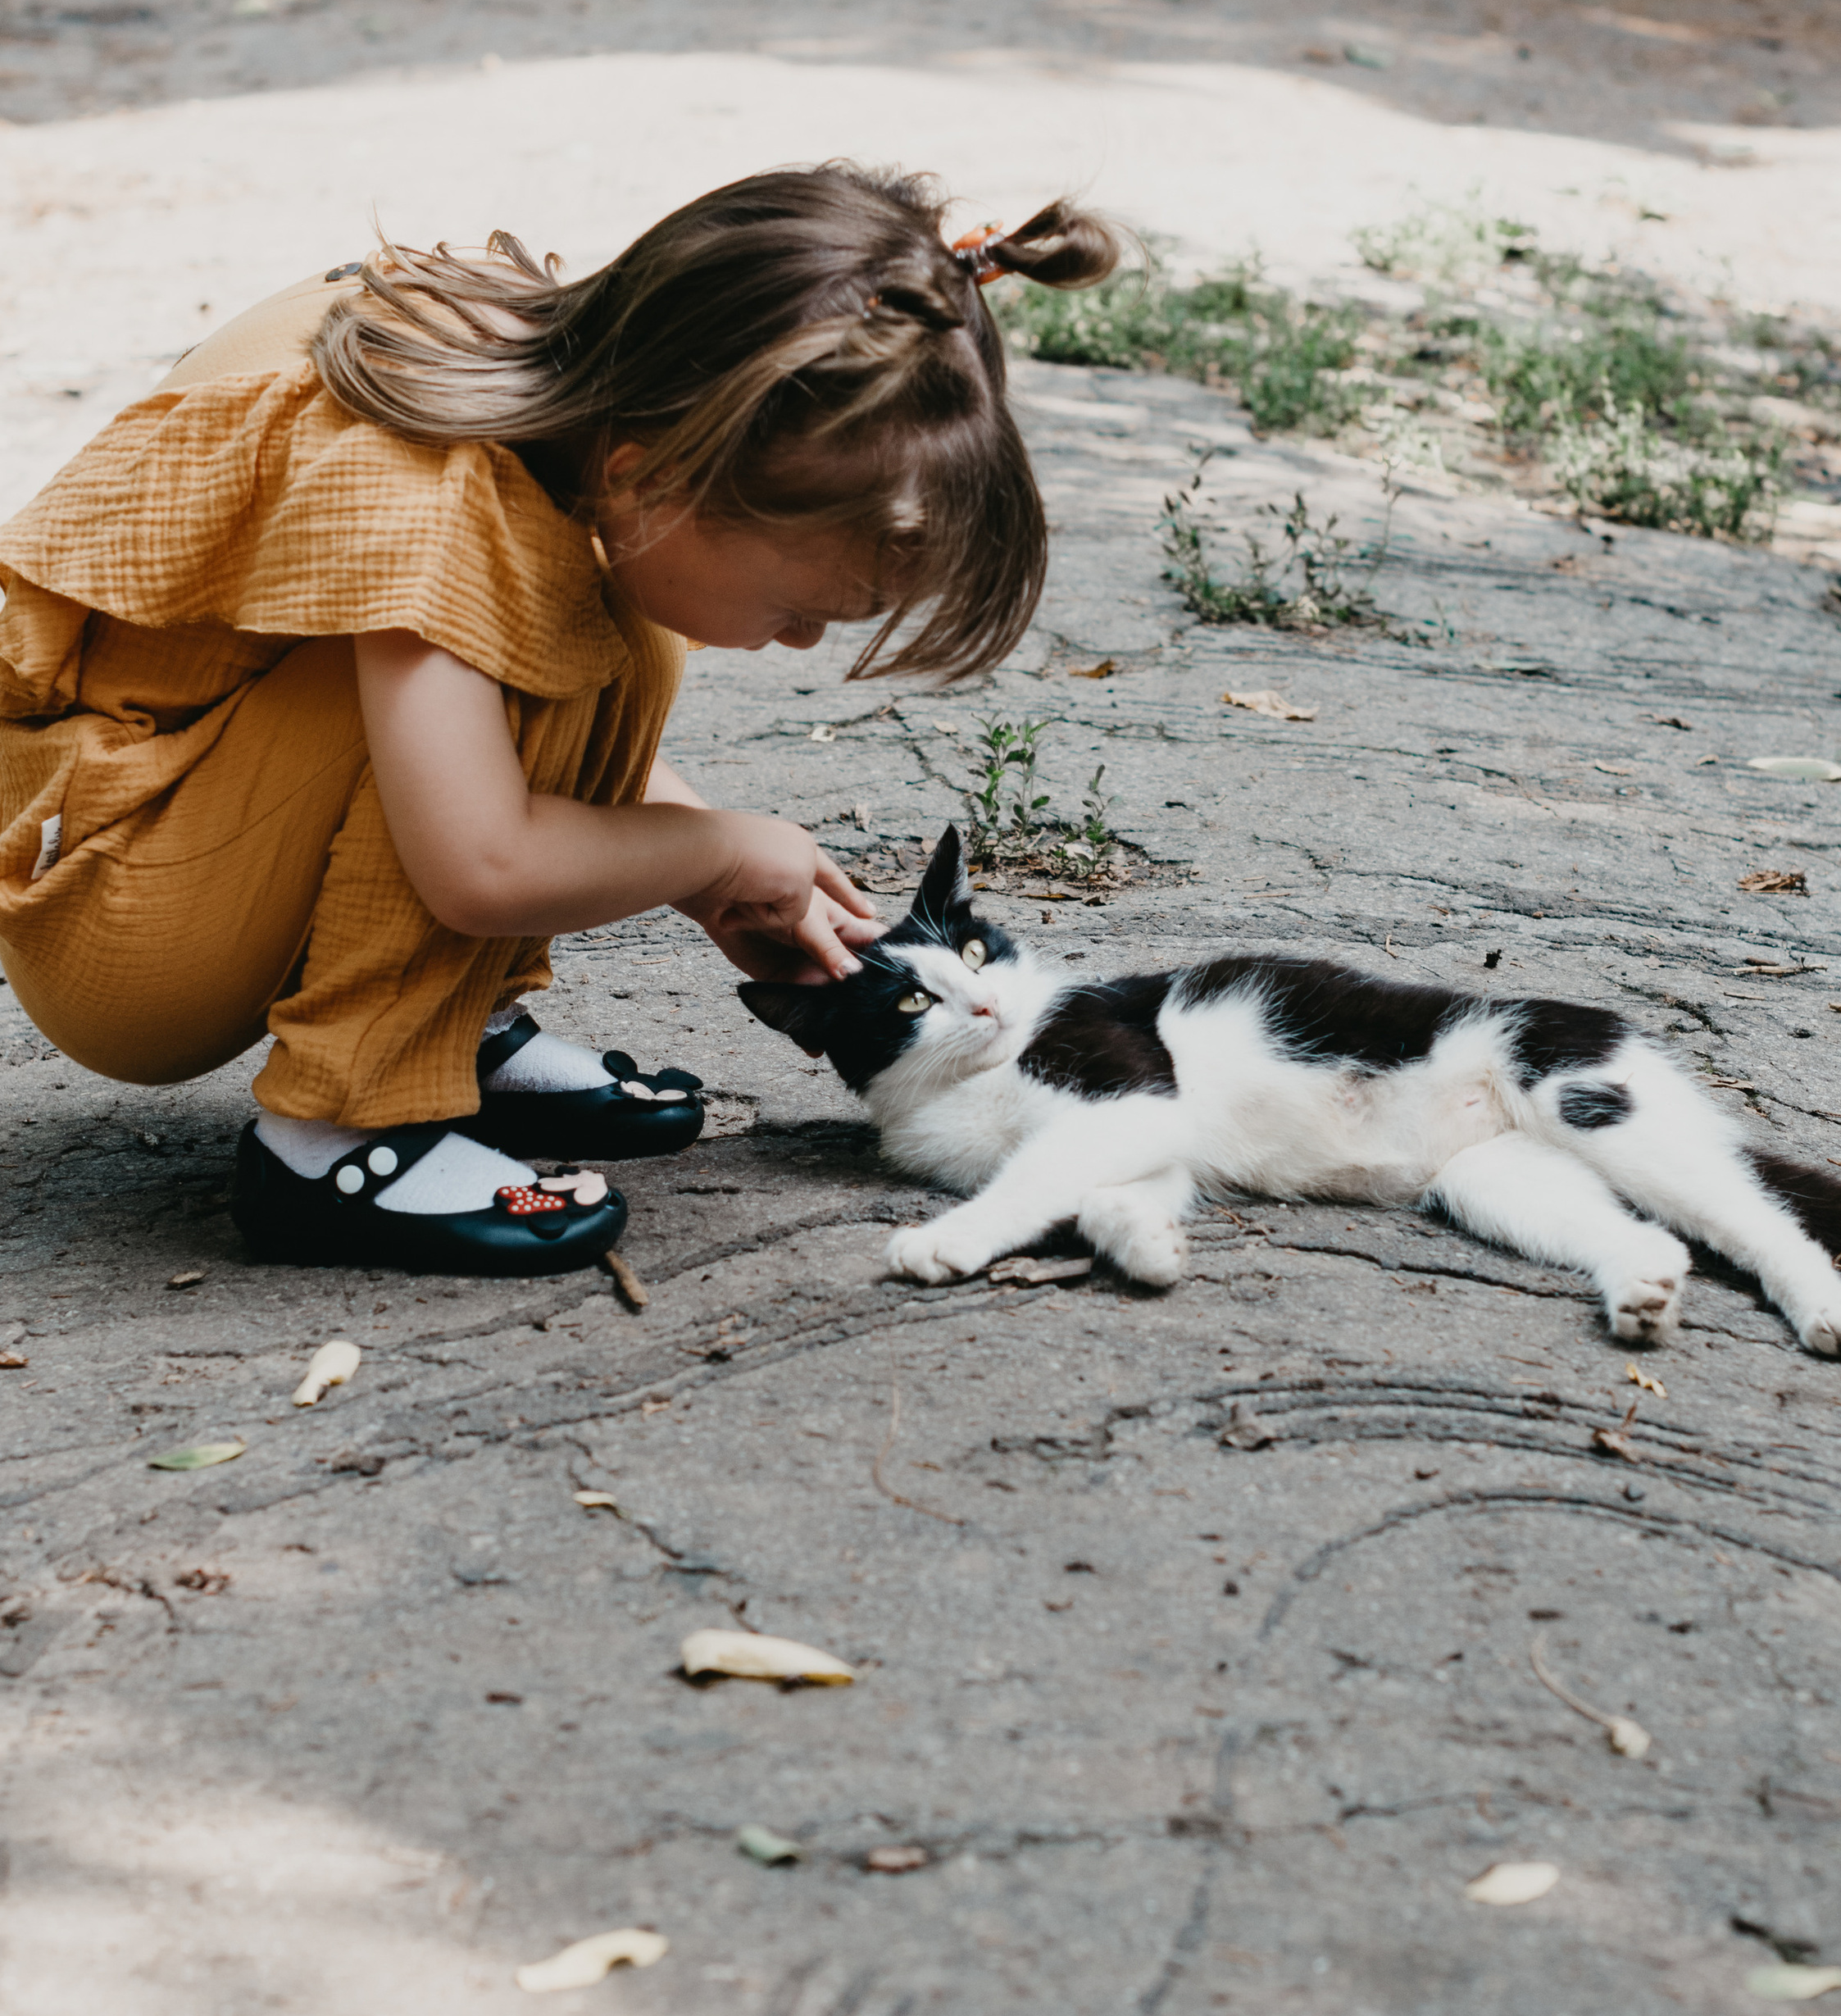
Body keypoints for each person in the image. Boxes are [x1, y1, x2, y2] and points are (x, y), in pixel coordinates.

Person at [0, 163, 1116, 1276]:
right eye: (797, 610)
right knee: (546, 625)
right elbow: (478, 864)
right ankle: (341, 1134)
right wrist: (715, 847)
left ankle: (444, 1034)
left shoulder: (549, 398)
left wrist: (710, 872)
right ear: (649, 477)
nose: (798, 645)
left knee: (582, 625)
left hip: (177, 829)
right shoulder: (432, 493)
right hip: (112, 907)